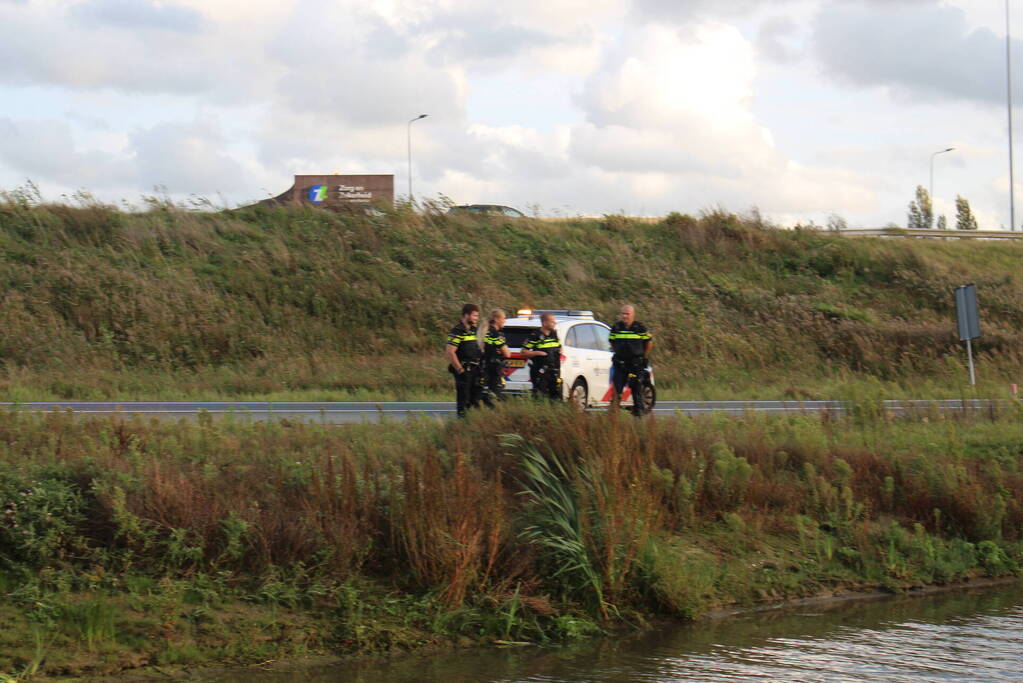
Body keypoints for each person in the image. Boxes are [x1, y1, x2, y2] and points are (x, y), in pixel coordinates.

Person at [608, 304, 653, 416]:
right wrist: (619, 353)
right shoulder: (616, 328)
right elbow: (612, 343)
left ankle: (639, 417)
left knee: (636, 391)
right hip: (620, 364)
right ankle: (614, 418)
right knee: (616, 391)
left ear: (633, 315)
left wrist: (643, 356)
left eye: (627, 314)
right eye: (623, 314)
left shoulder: (640, 328)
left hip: (635, 365)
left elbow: (649, 343)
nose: (624, 316)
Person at [446, 303, 484, 417]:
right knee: (464, 399)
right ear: (466, 315)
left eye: (477, 316)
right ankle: (462, 422)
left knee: (475, 400)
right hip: (464, 369)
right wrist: (460, 370)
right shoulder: (457, 331)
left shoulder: (474, 330)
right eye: (474, 316)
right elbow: (450, 352)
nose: (476, 318)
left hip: (475, 369)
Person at [522, 312, 562, 401]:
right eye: (552, 322)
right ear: (544, 323)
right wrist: (537, 353)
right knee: (540, 397)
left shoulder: (554, 334)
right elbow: (523, 352)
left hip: (553, 371)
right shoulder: (535, 335)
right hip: (540, 371)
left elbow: (559, 347)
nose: (554, 323)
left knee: (555, 397)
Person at [480, 309, 511, 407]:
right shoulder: (496, 335)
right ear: (497, 319)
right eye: (503, 319)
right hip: (494, 370)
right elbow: (507, 354)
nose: (504, 321)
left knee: (487, 396)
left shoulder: (485, 332)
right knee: (497, 399)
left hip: (484, 368)